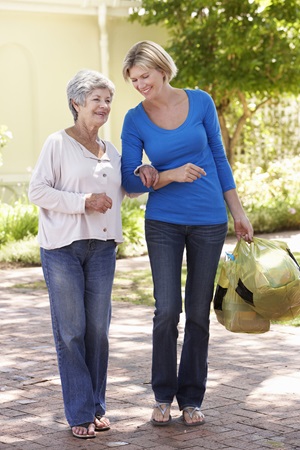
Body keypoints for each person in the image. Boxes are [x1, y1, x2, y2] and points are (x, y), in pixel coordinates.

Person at [121, 41, 253, 427]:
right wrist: (167, 175)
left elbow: (218, 156)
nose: (140, 84)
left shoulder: (201, 102)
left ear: (162, 69)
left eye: (145, 75)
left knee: (198, 313)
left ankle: (191, 399)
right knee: (167, 311)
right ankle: (163, 395)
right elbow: (132, 180)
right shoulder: (135, 118)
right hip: (162, 221)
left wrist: (238, 213)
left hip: (209, 219)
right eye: (134, 79)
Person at [28, 69, 123, 439]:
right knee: (72, 332)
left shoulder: (110, 149)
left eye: (108, 100)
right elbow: (37, 191)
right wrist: (83, 202)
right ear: (76, 103)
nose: (104, 106)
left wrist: (146, 172)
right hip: (62, 249)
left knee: (98, 332)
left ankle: (97, 406)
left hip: (102, 249)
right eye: (97, 99)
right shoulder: (57, 143)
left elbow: (125, 186)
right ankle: (80, 412)